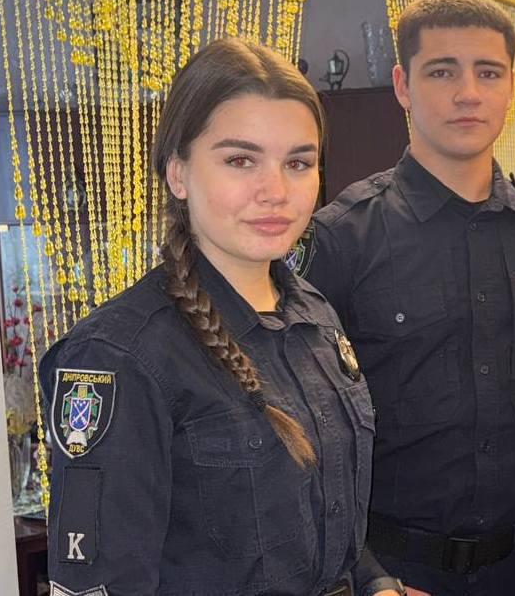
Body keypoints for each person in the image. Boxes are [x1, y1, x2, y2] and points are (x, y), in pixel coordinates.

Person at [39, 38, 405, 596]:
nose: (275, 191)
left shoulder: (315, 316)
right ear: (178, 173)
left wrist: (376, 583)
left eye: (298, 163)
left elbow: (329, 517)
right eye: (240, 160)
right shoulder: (118, 357)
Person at [298, 0, 515, 596]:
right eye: (442, 71)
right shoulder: (341, 239)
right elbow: (309, 438)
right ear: (403, 85)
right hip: (393, 575)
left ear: (511, 86)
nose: (468, 92)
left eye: (488, 72)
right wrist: (367, 577)